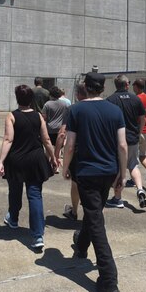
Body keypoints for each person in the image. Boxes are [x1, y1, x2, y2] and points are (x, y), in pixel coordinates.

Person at [62, 72, 126, 292]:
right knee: (94, 212)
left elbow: (70, 145)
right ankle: (80, 247)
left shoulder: (77, 110)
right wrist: (122, 174)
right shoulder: (114, 110)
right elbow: (122, 145)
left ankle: (109, 279)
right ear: (102, 87)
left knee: (96, 220)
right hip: (108, 172)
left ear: (86, 87)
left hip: (87, 172)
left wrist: (65, 167)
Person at [0, 84, 58, 250]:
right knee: (35, 195)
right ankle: (38, 236)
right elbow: (46, 140)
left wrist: (1, 160)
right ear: (31, 99)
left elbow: (8, 140)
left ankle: (14, 219)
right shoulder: (39, 116)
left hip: (16, 160)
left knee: (15, 191)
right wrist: (53, 158)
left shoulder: (11, 116)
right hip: (35, 160)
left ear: (17, 99)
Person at [105, 74, 146, 209]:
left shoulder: (110, 100)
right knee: (133, 165)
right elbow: (143, 118)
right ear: (127, 85)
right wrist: (138, 132)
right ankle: (140, 189)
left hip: (117, 140)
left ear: (116, 85)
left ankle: (117, 198)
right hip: (133, 138)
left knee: (119, 168)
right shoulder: (136, 99)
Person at [58, 83, 87, 221]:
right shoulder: (106, 108)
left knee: (76, 183)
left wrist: (63, 162)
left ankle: (74, 212)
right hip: (99, 152)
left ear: (78, 94)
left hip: (77, 153)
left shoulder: (72, 109)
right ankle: (92, 214)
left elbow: (63, 134)